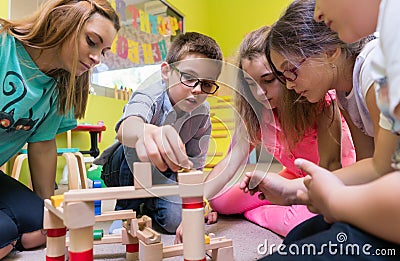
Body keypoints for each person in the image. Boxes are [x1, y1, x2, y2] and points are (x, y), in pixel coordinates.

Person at [242, 0, 400, 259]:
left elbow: (385, 168)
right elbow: (370, 163)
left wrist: (302, 191)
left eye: (291, 73)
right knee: (298, 237)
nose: (290, 87)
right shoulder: (343, 91)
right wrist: (299, 190)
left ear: (328, 52)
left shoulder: (372, 65)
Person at [175, 26, 355, 243]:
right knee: (219, 200)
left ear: (285, 73)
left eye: (268, 80)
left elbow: (329, 168)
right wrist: (198, 205)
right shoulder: (256, 110)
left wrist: (289, 196)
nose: (259, 93)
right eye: (251, 83)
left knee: (304, 225)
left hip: (328, 180)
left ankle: (258, 213)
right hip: (290, 177)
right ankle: (277, 204)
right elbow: (232, 162)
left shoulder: (319, 102)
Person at [0, 0, 120, 258]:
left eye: (104, 51)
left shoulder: (59, 86)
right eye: (91, 41)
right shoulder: (3, 45)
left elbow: (43, 145)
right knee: (6, 232)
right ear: (62, 21)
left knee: (39, 229)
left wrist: (49, 211)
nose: (97, 58)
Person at [99, 32, 223, 235]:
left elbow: (194, 165)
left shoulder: (202, 114)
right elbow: (126, 128)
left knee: (176, 222)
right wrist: (145, 132)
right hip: (121, 167)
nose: (198, 89)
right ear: (166, 72)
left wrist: (198, 203)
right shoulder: (150, 94)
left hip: (164, 172)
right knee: (136, 147)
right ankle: (125, 209)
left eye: (207, 84)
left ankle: (149, 203)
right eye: (189, 78)